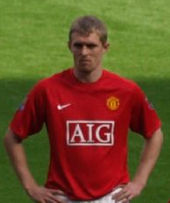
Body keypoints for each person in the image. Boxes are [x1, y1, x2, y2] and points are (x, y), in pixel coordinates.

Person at [4, 16, 163, 203]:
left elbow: (154, 133)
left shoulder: (126, 91)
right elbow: (12, 136)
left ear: (105, 47)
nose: (84, 52)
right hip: (62, 196)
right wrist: (30, 186)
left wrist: (139, 182)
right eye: (78, 45)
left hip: (111, 196)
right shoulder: (47, 90)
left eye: (91, 46)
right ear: (69, 46)